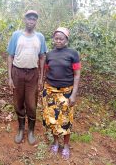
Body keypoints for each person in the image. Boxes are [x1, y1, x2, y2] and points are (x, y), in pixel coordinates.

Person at [7, 10, 47, 145]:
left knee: (31, 103)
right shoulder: (16, 35)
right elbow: (10, 56)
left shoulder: (40, 37)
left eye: (34, 19)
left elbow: (42, 57)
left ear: (36, 22)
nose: (31, 21)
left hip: (32, 74)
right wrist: (10, 77)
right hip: (17, 72)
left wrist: (41, 77)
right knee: (18, 102)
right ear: (25, 20)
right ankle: (20, 129)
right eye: (29, 18)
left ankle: (30, 131)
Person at [42, 27, 81, 159]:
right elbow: (46, 71)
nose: (58, 41)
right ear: (53, 39)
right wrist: (44, 88)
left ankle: (66, 145)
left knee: (66, 120)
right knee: (52, 119)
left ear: (66, 40)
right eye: (56, 38)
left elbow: (76, 75)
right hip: (50, 91)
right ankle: (55, 142)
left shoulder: (73, 54)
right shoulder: (50, 54)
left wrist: (74, 94)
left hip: (66, 92)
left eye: (61, 38)